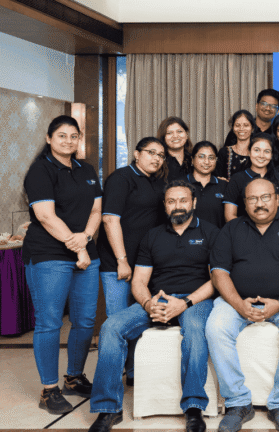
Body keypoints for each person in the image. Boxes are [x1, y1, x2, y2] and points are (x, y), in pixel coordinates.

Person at [86, 180, 219, 432]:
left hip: (195, 300)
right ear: (165, 205)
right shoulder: (153, 236)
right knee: (111, 327)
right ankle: (108, 409)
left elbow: (217, 280)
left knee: (194, 329)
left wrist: (185, 302)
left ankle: (193, 408)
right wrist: (148, 304)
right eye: (171, 201)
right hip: (158, 299)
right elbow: (139, 281)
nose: (177, 206)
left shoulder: (211, 233)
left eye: (183, 200)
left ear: (194, 203)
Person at [206, 178, 279, 432]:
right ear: (244, 203)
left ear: (277, 199)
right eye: (253, 199)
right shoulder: (231, 229)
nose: (260, 204)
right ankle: (237, 403)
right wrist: (238, 304)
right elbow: (219, 273)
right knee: (215, 327)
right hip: (238, 299)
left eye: (265, 197)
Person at [23, 115, 102, 414]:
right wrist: (78, 247)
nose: (68, 141)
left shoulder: (87, 169)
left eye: (73, 136)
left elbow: (96, 209)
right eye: (61, 136)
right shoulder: (40, 170)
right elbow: (45, 216)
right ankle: (49, 390)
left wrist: (86, 238)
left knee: (85, 320)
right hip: (49, 254)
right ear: (49, 138)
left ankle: (74, 377)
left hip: (85, 251)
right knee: (50, 321)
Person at [97, 137, 168, 384]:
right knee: (118, 322)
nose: (157, 158)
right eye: (151, 152)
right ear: (137, 154)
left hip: (144, 266)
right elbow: (110, 219)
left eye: (161, 155)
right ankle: (111, 380)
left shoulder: (158, 183)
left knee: (140, 319)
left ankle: (134, 373)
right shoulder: (121, 178)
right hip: (118, 264)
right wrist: (122, 259)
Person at [223, 134, 279, 222]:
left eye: (267, 151)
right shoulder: (237, 179)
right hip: (244, 229)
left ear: (272, 155)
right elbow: (229, 216)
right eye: (257, 150)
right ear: (249, 152)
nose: (261, 155)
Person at [188, 141, 228, 228]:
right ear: (192, 160)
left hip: (217, 236)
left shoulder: (224, 186)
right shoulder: (180, 184)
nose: (207, 162)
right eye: (201, 157)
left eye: (211, 158)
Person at [215, 110, 255, 180]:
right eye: (237, 125)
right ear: (233, 128)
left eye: (246, 125)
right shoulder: (224, 152)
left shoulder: (258, 153)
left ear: (252, 128)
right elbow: (218, 178)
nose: (241, 129)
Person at [157, 116, 193, 182]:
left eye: (179, 131)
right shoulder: (157, 162)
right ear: (163, 137)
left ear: (187, 135)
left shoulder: (195, 160)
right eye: (169, 133)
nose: (175, 136)